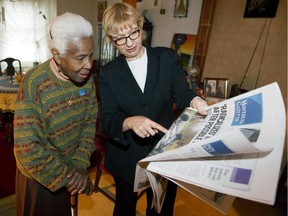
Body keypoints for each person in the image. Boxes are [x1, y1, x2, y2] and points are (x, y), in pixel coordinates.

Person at [99, 3, 208, 216]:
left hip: (165, 150)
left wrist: (196, 101)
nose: (129, 43)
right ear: (112, 41)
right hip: (128, 157)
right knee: (124, 208)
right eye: (120, 39)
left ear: (141, 28)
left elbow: (183, 95)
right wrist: (130, 122)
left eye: (133, 33)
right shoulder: (109, 73)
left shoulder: (166, 58)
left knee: (161, 209)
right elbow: (107, 121)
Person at [13, 12, 97, 216]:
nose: (88, 64)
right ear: (57, 55)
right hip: (40, 177)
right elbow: (27, 147)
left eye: (91, 55)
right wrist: (70, 177)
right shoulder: (34, 83)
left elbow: (89, 124)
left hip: (72, 171)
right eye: (80, 58)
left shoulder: (87, 80)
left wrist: (78, 165)